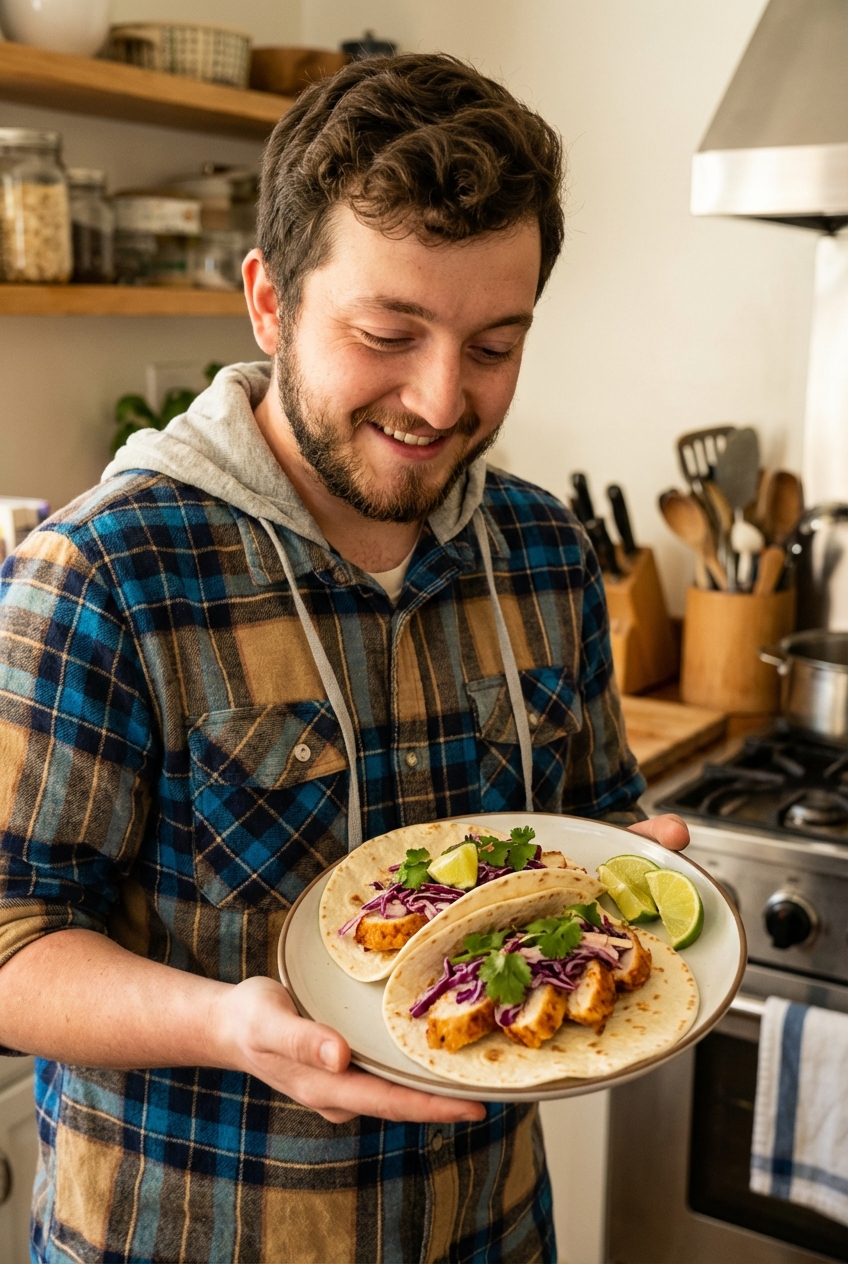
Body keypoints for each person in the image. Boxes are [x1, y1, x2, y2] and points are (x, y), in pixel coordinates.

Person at [0, 53, 688, 1264]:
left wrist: (632, 863)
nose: (439, 399)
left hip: (490, 1229)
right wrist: (225, 1024)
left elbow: (590, 822)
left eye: (493, 345)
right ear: (267, 302)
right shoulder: (103, 571)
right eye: (389, 331)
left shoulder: (543, 550)